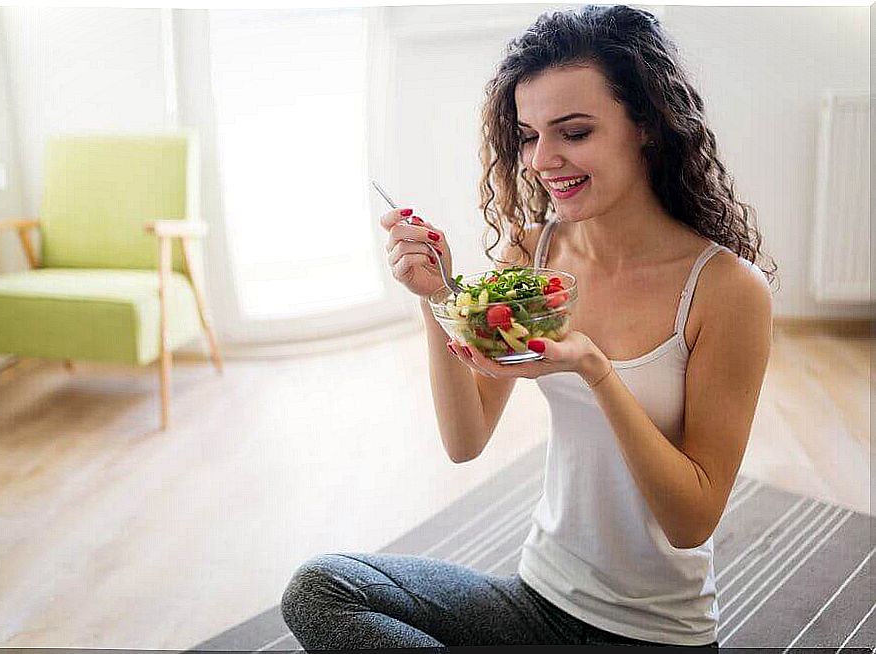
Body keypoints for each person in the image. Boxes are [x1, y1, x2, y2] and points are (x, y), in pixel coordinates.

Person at [281, 4, 776, 649]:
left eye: (573, 132)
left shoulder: (726, 289)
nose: (544, 159)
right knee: (321, 591)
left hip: (654, 634)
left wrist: (593, 370)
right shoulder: (535, 254)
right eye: (528, 134)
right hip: (539, 596)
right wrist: (438, 300)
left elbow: (692, 520)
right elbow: (466, 439)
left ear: (647, 127)